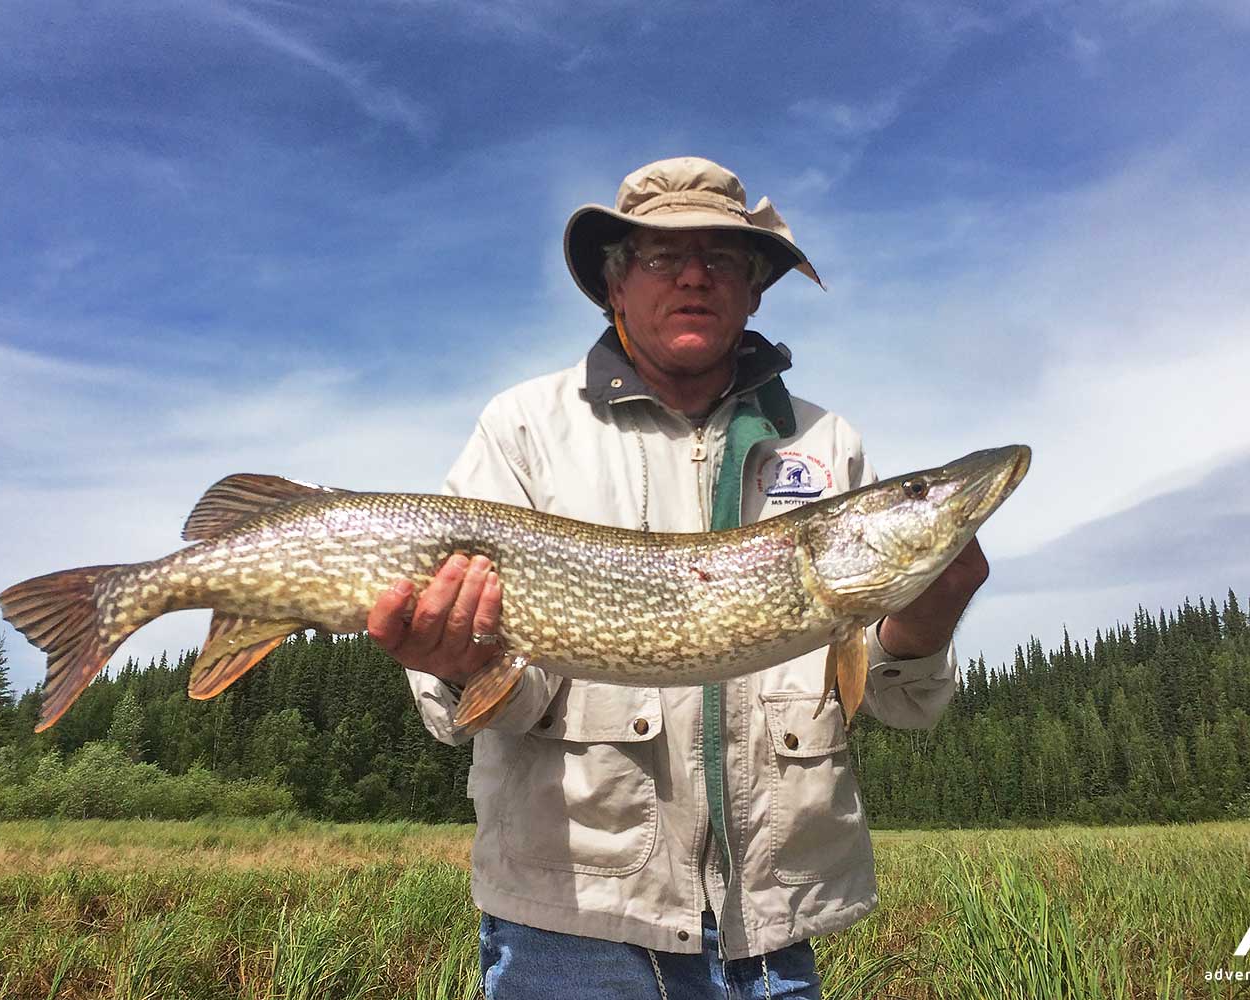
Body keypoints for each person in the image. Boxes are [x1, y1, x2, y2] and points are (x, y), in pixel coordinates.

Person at [366, 157, 988, 999]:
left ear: (754, 289)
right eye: (663, 256)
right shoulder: (524, 428)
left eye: (723, 258)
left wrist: (926, 622)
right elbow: (491, 707)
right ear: (615, 286)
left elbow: (896, 699)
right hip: (574, 929)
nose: (695, 275)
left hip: (772, 934)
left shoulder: (825, 442)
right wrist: (462, 661)